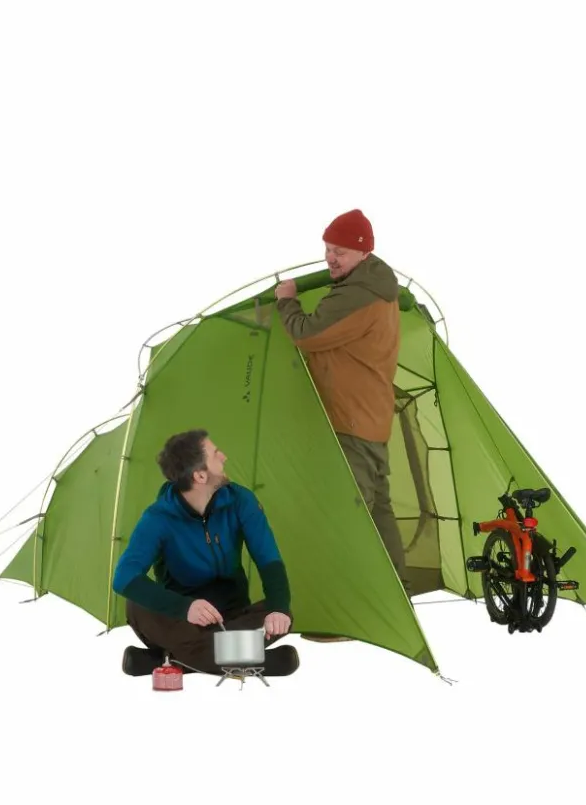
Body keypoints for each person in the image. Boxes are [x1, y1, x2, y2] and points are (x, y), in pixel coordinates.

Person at [274, 209, 408, 640]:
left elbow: (306, 334)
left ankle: (348, 616)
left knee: (347, 519)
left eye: (341, 252)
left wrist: (287, 300)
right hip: (370, 419)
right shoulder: (373, 285)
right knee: (377, 512)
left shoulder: (358, 295)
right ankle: (395, 599)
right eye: (328, 249)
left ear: (363, 252)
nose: (331, 259)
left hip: (351, 422)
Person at [112, 429, 299, 677]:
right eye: (215, 454)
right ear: (200, 475)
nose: (224, 457)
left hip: (231, 617)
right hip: (181, 622)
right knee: (136, 604)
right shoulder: (157, 518)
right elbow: (123, 577)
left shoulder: (241, 500)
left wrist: (279, 609)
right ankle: (257, 660)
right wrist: (185, 607)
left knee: (281, 614)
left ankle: (171, 661)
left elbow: (269, 560)